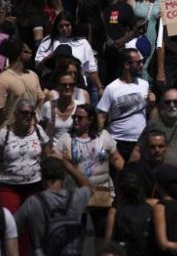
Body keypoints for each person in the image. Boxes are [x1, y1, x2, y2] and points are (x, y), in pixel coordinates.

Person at [54, 102, 123, 245]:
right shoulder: (66, 139)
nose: (76, 120)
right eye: (74, 117)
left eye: (80, 117)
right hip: (76, 197)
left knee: (102, 239)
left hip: (102, 196)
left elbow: (117, 159)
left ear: (90, 119)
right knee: (75, 241)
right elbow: (55, 162)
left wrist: (126, 172)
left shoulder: (103, 136)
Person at [0, 97, 51, 216]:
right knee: (12, 221)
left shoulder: (38, 131)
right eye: (24, 113)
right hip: (8, 185)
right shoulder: (4, 134)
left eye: (31, 113)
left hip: (34, 186)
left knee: (31, 222)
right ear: (15, 114)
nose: (28, 116)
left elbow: (48, 157)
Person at [13, 156, 92, 256]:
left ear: (42, 177)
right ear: (63, 176)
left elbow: (13, 228)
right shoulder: (77, 197)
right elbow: (88, 187)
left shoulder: (33, 202)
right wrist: (69, 167)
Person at [97, 47, 151, 161]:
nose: (141, 65)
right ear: (126, 65)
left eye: (142, 61)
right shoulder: (111, 88)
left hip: (139, 141)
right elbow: (101, 116)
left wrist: (153, 102)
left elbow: (148, 112)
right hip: (117, 141)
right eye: (138, 62)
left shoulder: (145, 85)